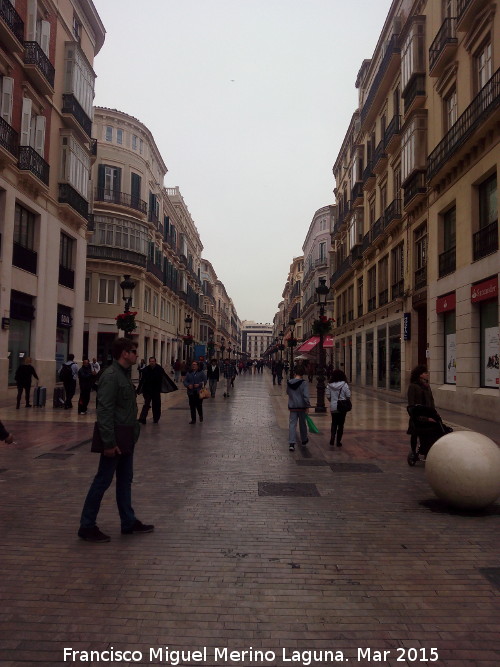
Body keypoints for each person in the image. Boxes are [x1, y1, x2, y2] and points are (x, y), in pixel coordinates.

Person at [78, 337, 154, 543]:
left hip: (127, 436)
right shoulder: (111, 376)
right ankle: (87, 525)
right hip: (116, 438)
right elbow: (104, 411)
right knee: (102, 481)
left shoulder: (123, 374)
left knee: (125, 480)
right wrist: (109, 443)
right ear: (124, 354)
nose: (137, 355)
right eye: (134, 351)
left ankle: (128, 521)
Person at [407, 365, 436, 454]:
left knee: (427, 434)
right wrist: (418, 416)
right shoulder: (413, 386)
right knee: (415, 434)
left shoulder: (427, 386)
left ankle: (425, 450)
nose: (427, 374)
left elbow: (431, 400)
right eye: (425, 373)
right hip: (417, 415)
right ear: (420, 375)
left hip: (428, 414)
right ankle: (413, 452)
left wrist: (433, 413)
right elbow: (411, 403)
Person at [286, 365, 311, 452]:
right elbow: (306, 397)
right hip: (302, 406)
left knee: (292, 424)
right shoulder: (304, 383)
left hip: (292, 406)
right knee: (302, 424)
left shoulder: (289, 382)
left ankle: (292, 443)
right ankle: (304, 440)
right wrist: (307, 406)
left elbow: (288, 392)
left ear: (295, 372)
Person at [326, 369, 351, 448]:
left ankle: (332, 438)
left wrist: (333, 400)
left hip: (334, 406)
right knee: (341, 424)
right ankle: (338, 441)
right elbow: (348, 395)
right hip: (342, 407)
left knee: (334, 423)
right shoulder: (344, 385)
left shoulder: (329, 385)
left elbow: (328, 396)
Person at [137, 357, 164, 424]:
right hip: (147, 390)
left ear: (155, 361)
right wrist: (139, 390)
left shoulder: (159, 369)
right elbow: (142, 380)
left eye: (153, 361)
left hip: (156, 390)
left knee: (156, 405)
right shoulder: (146, 369)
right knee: (146, 404)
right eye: (150, 361)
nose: (152, 362)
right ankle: (142, 418)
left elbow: (162, 379)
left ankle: (156, 418)